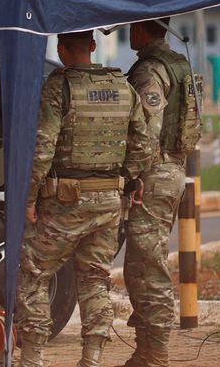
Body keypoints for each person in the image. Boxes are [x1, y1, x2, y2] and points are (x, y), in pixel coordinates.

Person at [17, 30, 153, 367]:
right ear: (93, 46)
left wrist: (29, 197)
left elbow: (43, 147)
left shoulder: (58, 86)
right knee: (95, 279)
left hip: (65, 203)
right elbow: (145, 147)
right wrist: (130, 180)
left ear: (61, 48)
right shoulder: (123, 87)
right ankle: (91, 359)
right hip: (108, 202)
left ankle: (32, 358)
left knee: (33, 272)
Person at [120, 19, 199, 367]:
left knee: (147, 265)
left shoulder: (151, 70)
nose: (127, 31)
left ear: (144, 28)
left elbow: (146, 131)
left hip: (154, 173)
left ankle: (156, 354)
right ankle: (145, 351)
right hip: (171, 169)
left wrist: (131, 175)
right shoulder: (178, 63)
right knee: (142, 262)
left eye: (132, 25)